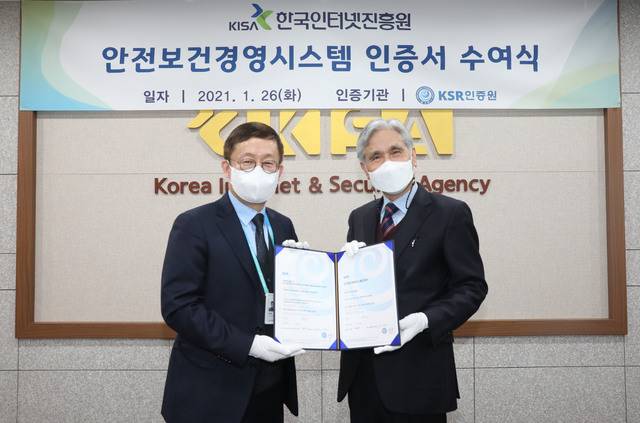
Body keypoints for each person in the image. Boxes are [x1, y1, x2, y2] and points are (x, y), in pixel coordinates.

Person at [337, 119, 488, 423]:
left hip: (420, 374)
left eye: (395, 151)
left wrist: (424, 320)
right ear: (365, 168)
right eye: (376, 156)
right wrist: (338, 271)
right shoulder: (360, 217)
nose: (387, 162)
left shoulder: (450, 213)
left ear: (413, 156)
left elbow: (472, 287)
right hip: (363, 378)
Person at [161, 122, 306, 423]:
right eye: (247, 162)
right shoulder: (193, 225)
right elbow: (179, 306)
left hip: (269, 387)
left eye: (268, 163)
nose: (258, 170)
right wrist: (249, 345)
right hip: (210, 392)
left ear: (280, 171)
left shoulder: (283, 225)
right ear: (227, 169)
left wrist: (309, 276)